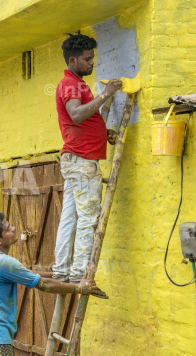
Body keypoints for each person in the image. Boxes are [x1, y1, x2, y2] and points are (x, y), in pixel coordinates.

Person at [0, 212, 105, 356]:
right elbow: (43, 284)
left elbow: (27, 272)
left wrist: (58, 274)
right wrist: (78, 288)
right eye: (8, 229)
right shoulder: (2, 262)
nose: (13, 228)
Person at [52, 33, 122, 284]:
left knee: (70, 218)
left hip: (76, 160)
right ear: (73, 60)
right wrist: (106, 93)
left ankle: (61, 269)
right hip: (82, 162)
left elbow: (87, 120)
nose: (92, 63)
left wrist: (105, 133)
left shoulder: (75, 84)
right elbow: (77, 115)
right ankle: (81, 272)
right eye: (87, 59)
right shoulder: (71, 84)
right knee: (88, 218)